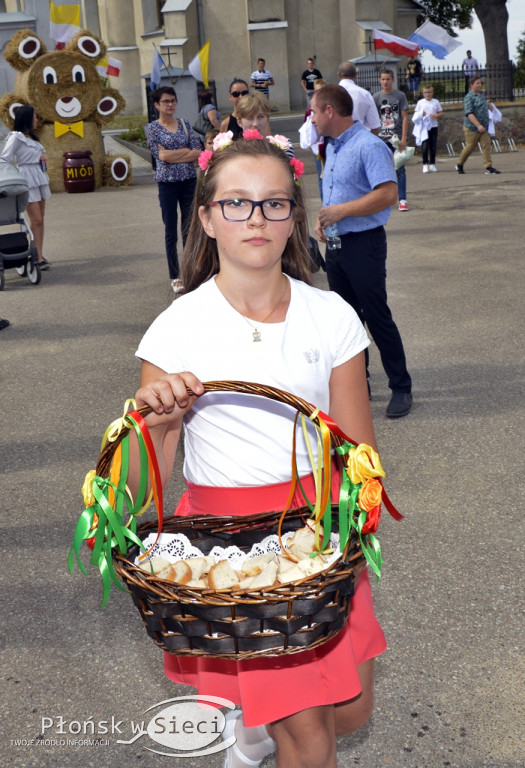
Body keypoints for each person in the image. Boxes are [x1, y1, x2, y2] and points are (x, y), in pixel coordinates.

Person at [133, 134, 387, 768]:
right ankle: (263, 729)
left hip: (316, 533)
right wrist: (158, 424)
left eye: (274, 203)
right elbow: (140, 491)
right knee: (311, 736)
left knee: (351, 710)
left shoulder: (331, 317)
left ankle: (252, 724)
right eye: (238, 203)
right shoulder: (177, 328)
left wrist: (351, 536)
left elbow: (357, 450)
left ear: (293, 217)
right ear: (208, 217)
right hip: (233, 549)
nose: (256, 219)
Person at [311, 84, 413, 418]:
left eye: (314, 111)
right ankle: (358, 385)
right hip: (339, 245)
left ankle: (401, 387)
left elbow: (386, 194)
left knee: (376, 315)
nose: (311, 118)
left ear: (330, 111)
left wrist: (340, 212)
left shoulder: (368, 145)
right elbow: (337, 194)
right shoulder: (333, 147)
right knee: (347, 320)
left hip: (364, 244)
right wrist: (325, 220)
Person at [144, 86, 202, 294]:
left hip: (188, 180)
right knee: (171, 230)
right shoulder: (152, 128)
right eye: (166, 101)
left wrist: (176, 154)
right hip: (167, 183)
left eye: (173, 101)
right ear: (157, 105)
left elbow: (197, 151)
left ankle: (190, 271)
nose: (170, 105)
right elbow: (162, 157)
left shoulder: (185, 125)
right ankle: (175, 275)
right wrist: (183, 152)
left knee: (189, 228)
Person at [0, 105, 51, 270]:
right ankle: (36, 256)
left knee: (40, 219)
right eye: (35, 117)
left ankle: (39, 255)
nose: (37, 120)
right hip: (27, 178)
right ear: (27, 119)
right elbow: (4, 158)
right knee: (35, 219)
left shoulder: (32, 138)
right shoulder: (16, 137)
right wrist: (10, 177)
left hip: (39, 176)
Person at [373, 69, 410, 212]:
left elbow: (405, 116)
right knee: (381, 170)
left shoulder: (400, 96)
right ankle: (383, 199)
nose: (385, 82)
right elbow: (373, 118)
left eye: (388, 79)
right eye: (383, 79)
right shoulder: (376, 97)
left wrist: (404, 138)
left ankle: (402, 199)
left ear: (392, 80)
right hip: (381, 138)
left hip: (396, 137)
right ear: (379, 80)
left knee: (400, 169)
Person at [455, 76, 500, 175]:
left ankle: (488, 167)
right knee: (470, 147)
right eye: (477, 83)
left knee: (486, 146)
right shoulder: (469, 97)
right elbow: (469, 113)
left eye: (481, 83)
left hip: (484, 127)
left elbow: (482, 108)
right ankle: (460, 164)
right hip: (472, 128)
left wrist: (490, 107)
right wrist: (478, 125)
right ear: (471, 85)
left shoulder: (481, 96)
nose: (480, 85)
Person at [337, 61, 380, 133]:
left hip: (336, 140)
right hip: (360, 137)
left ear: (338, 74)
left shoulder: (329, 94)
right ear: (356, 74)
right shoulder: (365, 94)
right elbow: (374, 126)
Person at [413, 85, 443, 172]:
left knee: (433, 146)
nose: (427, 94)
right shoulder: (420, 102)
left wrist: (435, 115)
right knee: (425, 146)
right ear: (423, 93)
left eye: (429, 92)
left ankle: (432, 164)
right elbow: (416, 114)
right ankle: (425, 164)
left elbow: (441, 113)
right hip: (423, 127)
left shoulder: (435, 102)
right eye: (425, 92)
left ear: (432, 93)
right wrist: (421, 114)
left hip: (433, 126)